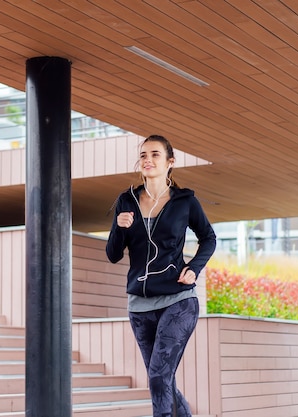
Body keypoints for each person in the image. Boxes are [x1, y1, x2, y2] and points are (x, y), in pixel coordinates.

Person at [106, 134, 217, 417]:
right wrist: (120, 227)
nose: (147, 160)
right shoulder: (126, 201)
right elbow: (113, 254)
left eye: (155, 154)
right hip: (140, 306)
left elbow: (208, 238)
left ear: (170, 162)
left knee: (158, 379)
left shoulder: (185, 201)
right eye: (143, 155)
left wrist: (194, 268)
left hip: (178, 301)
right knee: (162, 380)